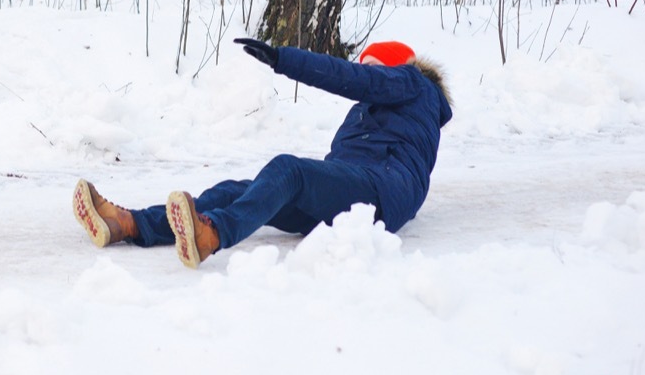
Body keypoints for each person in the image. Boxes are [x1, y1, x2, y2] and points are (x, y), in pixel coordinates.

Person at [72, 39, 453, 269]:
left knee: (289, 171)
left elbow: (355, 79)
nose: (366, 78)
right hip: (353, 197)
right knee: (238, 189)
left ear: (391, 68)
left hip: (382, 193)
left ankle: (214, 234)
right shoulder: (367, 113)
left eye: (371, 70)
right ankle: (131, 224)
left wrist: (285, 60)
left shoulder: (413, 83)